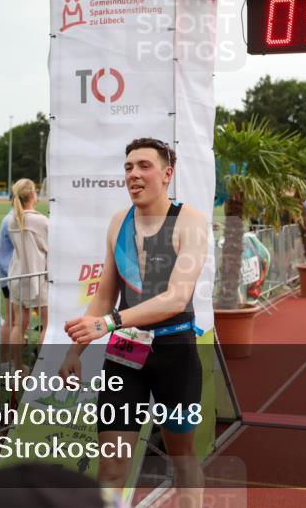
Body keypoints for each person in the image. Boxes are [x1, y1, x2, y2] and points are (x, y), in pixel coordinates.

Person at [59, 137, 208, 507]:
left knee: (182, 457)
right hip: (125, 357)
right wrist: (74, 351)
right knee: (111, 465)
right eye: (128, 167)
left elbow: (176, 297)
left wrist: (109, 323)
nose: (134, 174)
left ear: (167, 174)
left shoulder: (190, 222)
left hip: (175, 353)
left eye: (144, 166)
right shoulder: (119, 223)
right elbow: (104, 295)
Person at [6, 179, 48, 370]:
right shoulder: (40, 220)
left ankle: (17, 367)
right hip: (38, 276)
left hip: (17, 276)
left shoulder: (13, 219)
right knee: (47, 324)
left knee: (18, 324)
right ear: (32, 194)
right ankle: (43, 369)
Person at [0, 203, 15, 371]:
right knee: (13, 321)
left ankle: (7, 363)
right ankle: (5, 364)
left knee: (13, 320)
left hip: (10, 276)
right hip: (12, 277)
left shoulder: (11, 218)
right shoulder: (12, 220)